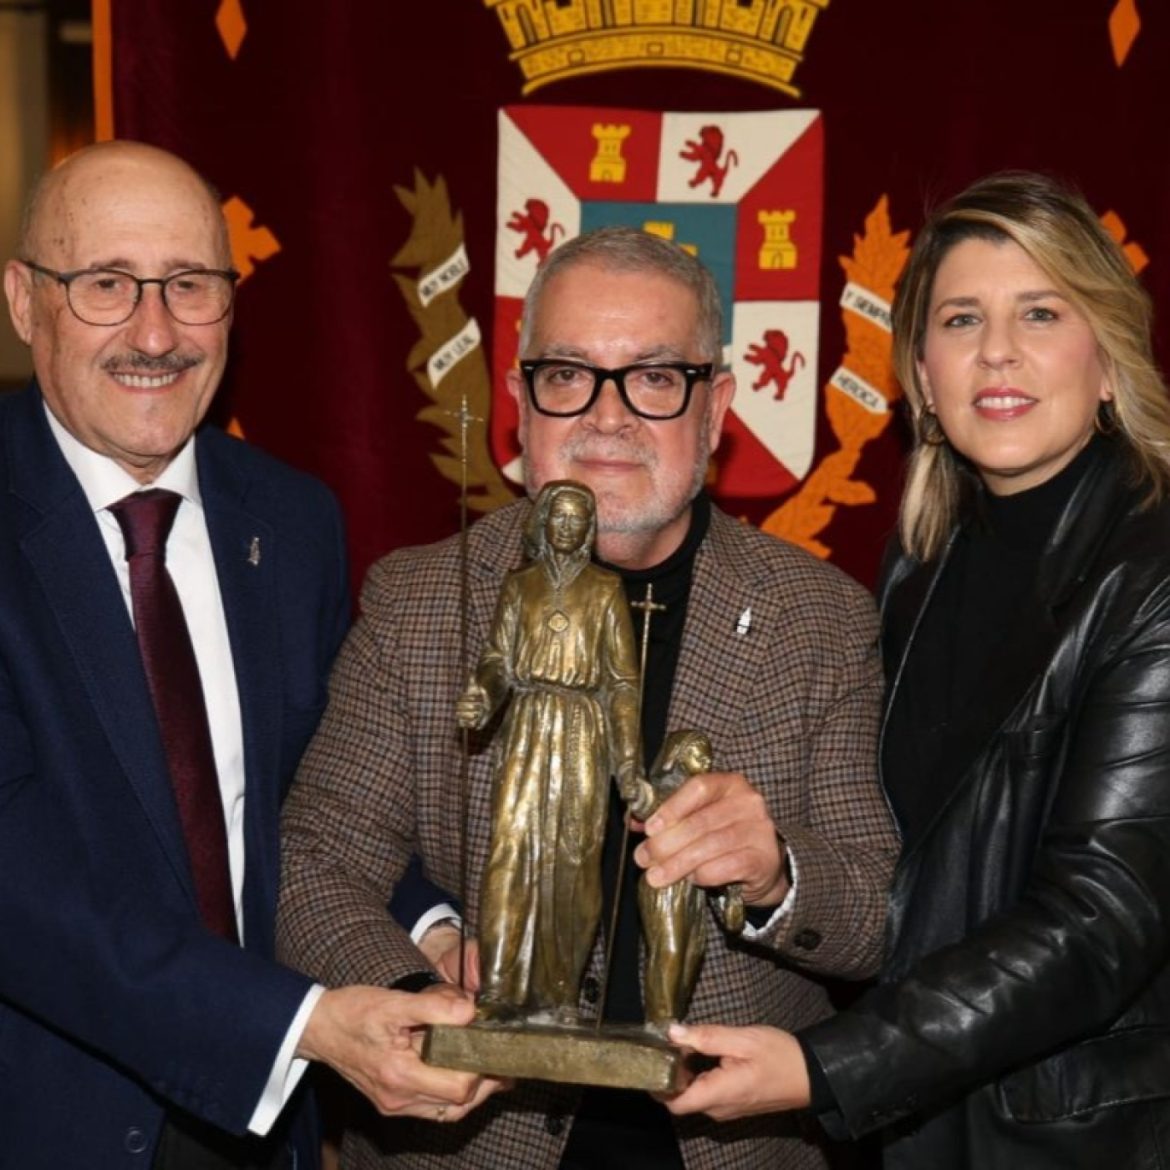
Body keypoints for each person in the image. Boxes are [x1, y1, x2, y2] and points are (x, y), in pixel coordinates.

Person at [277, 225, 898, 1170]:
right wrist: (418, 985)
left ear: (716, 406)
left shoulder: (820, 619)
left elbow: (882, 913)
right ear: (521, 403)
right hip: (462, 1142)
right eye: (568, 373)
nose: (606, 417)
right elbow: (312, 861)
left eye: (654, 377)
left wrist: (777, 873)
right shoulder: (419, 599)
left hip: (726, 1147)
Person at [0, 140, 495, 1170]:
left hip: (267, 1132)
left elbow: (312, 797)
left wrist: (433, 938)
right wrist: (303, 1025)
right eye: (106, 285)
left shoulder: (292, 520)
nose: (155, 330)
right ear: (22, 300)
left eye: (190, 285)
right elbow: (24, 888)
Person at [663, 171, 1170, 1168]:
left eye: (1040, 312)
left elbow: (1102, 916)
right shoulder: (920, 566)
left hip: (1075, 1137)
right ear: (923, 379)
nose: (997, 351)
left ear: (1109, 359)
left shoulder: (1153, 573)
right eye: (961, 318)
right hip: (918, 1122)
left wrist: (831, 1067)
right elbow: (900, 858)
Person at [456, 480, 642, 1022]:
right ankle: (499, 987)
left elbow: (623, 683)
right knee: (509, 855)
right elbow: (498, 659)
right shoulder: (522, 585)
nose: (566, 525)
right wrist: (482, 696)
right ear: (542, 523)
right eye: (557, 516)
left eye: (576, 517)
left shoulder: (606, 589)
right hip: (528, 727)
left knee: (576, 863)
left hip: (583, 732)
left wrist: (628, 763)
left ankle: (562, 993)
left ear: (588, 527)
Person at [637, 730, 718, 1034]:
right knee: (669, 949)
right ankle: (661, 1023)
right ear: (679, 755)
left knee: (691, 955)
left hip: (693, 889)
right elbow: (644, 800)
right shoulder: (665, 791)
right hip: (664, 886)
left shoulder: (708, 797)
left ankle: (673, 1019)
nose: (706, 759)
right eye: (698, 752)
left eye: (707, 752)